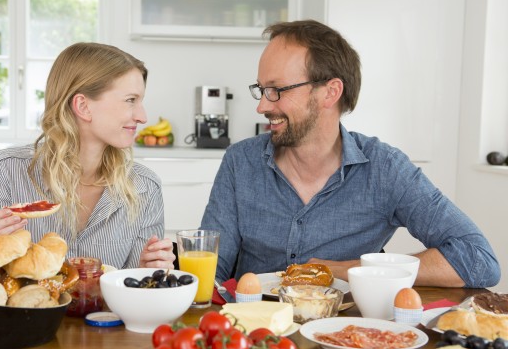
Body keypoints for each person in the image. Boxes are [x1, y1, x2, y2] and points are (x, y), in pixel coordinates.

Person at [201, 20, 500, 288]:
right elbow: (210, 271)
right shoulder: (240, 162)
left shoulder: (385, 169)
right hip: (256, 336)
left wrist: (347, 270)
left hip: (345, 337)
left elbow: (478, 259)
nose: (262, 106)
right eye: (262, 89)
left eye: (277, 90)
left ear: (330, 92)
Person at [0, 42, 175, 270]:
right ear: (83, 106)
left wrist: (148, 272)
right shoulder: (5, 172)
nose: (143, 117)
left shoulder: (145, 187)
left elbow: (136, 289)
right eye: (130, 100)